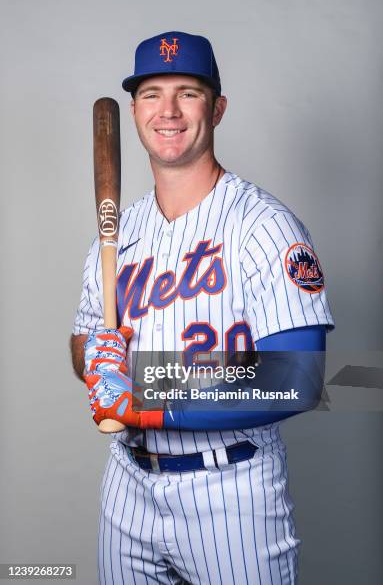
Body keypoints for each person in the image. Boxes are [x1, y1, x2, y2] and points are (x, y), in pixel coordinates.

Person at [71, 31, 334, 585]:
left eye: (187, 93)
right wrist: (94, 357)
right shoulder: (117, 235)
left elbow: (300, 377)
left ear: (217, 108)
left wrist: (151, 398)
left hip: (231, 492)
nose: (167, 111)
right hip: (127, 485)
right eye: (151, 94)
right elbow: (88, 334)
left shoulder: (264, 226)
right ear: (137, 109)